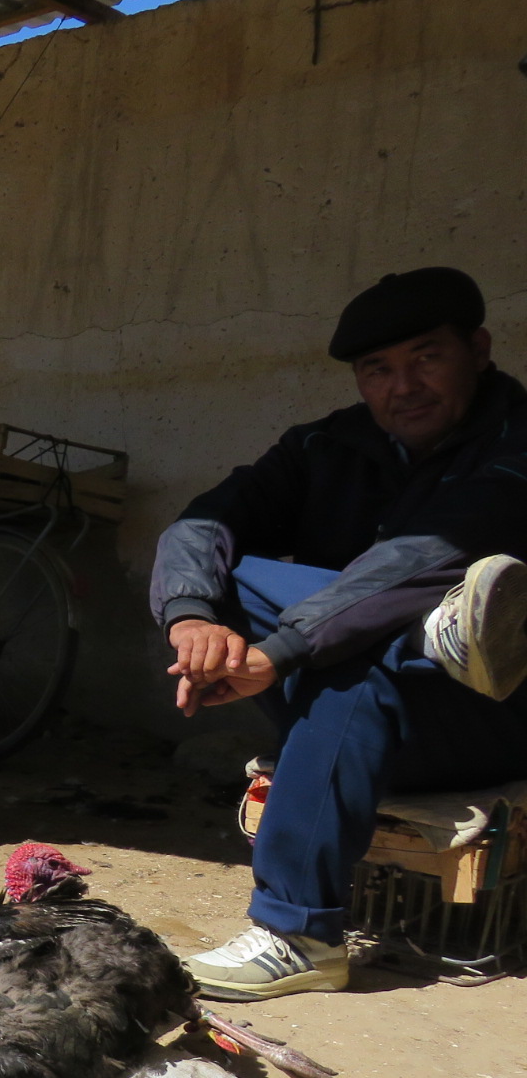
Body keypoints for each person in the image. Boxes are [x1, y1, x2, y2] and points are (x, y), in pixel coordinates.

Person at [152, 266, 527, 1000]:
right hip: (375, 709)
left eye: (428, 357)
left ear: (478, 350)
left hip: (490, 718)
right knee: (301, 620)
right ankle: (427, 635)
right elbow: (201, 522)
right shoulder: (327, 447)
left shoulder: (517, 444)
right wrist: (192, 616)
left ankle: (297, 933)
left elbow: (426, 552)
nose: (404, 385)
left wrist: (278, 650)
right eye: (378, 369)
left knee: (350, 649)